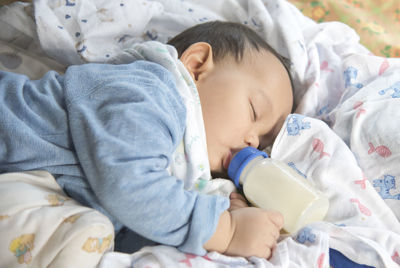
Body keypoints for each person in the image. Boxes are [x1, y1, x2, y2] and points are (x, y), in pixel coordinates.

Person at [0, 21, 293, 259]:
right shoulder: (151, 91)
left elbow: (139, 226)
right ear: (197, 65)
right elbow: (129, 185)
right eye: (254, 110)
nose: (254, 141)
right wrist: (224, 230)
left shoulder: (184, 168)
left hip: (28, 186)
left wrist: (229, 208)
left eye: (265, 140)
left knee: (89, 235)